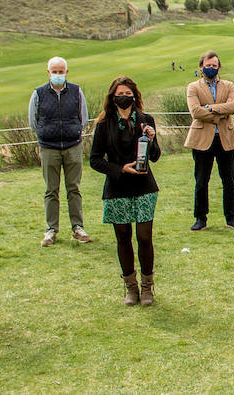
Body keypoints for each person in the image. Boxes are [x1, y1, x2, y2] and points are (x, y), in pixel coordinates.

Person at [88, 76, 162, 306]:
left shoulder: (145, 120)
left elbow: (155, 156)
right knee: (123, 238)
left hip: (144, 186)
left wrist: (152, 139)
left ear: (134, 96)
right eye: (120, 93)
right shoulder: (104, 124)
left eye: (128, 94)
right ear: (113, 96)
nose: (124, 97)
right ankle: (130, 287)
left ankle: (147, 287)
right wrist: (120, 169)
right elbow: (95, 160)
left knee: (144, 237)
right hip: (117, 187)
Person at [28, 56, 91, 247]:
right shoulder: (38, 93)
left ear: (66, 72)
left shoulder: (76, 91)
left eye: (60, 71)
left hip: (73, 146)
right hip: (49, 147)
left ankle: (77, 227)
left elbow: (84, 118)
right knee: (51, 190)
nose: (57, 75)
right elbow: (33, 120)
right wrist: (44, 134)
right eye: (54, 71)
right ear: (48, 73)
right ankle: (51, 230)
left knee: (74, 188)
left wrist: (74, 132)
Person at [185, 50, 234, 231]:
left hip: (225, 138)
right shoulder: (193, 87)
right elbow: (195, 112)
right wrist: (219, 114)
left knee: (229, 181)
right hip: (202, 139)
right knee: (202, 180)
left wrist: (209, 108)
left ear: (219, 67)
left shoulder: (228, 85)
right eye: (208, 65)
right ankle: (200, 218)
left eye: (214, 65)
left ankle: (231, 217)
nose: (211, 68)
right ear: (201, 67)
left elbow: (232, 106)